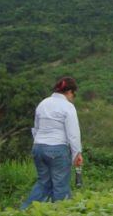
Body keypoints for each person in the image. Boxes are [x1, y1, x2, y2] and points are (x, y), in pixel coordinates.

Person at [22, 77, 83, 207]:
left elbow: (36, 128)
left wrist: (39, 143)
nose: (73, 97)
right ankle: (61, 213)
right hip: (57, 148)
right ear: (69, 91)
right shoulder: (68, 106)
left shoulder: (43, 103)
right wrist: (77, 154)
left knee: (43, 183)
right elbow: (73, 134)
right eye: (74, 94)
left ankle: (26, 210)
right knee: (60, 185)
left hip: (38, 147)